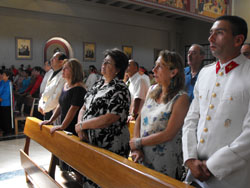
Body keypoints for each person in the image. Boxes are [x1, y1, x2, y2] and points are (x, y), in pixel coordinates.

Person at [182, 15, 250, 188]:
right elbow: (191, 120)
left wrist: (213, 166)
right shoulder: (206, 73)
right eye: (210, 33)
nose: (210, 38)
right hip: (195, 171)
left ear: (238, 40)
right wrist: (190, 157)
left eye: (219, 33)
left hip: (231, 176)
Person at [129, 50, 189, 180]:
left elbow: (169, 134)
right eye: (155, 65)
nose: (153, 69)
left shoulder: (181, 98)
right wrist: (137, 149)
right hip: (143, 155)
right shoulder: (152, 90)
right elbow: (139, 119)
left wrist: (138, 142)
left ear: (173, 72)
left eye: (160, 66)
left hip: (165, 161)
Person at [75, 48, 131, 187]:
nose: (103, 65)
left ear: (118, 69)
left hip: (111, 144)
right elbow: (84, 107)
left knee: (107, 181)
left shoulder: (120, 89)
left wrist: (83, 126)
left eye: (108, 63)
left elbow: (110, 118)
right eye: (103, 62)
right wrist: (80, 127)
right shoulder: (98, 84)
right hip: (92, 141)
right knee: (91, 179)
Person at [39, 58, 86, 135]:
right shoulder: (66, 85)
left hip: (73, 126)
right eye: (63, 67)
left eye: (66, 68)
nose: (63, 70)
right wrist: (50, 120)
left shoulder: (79, 88)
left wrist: (62, 126)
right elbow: (60, 105)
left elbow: (73, 110)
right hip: (65, 124)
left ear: (74, 71)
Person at [38, 52, 67, 120]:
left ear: (61, 61)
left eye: (53, 58)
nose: (51, 60)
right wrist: (41, 105)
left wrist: (45, 107)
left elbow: (57, 96)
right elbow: (45, 92)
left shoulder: (63, 75)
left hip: (55, 111)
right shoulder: (51, 73)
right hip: (46, 109)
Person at [0, 70, 13, 135]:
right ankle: (2, 129)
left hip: (6, 103)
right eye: (2, 74)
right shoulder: (1, 82)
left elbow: (7, 93)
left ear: (8, 76)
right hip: (1, 102)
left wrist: (1, 98)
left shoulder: (9, 83)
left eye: (4, 75)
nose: (2, 76)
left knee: (6, 117)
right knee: (2, 117)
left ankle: (7, 130)